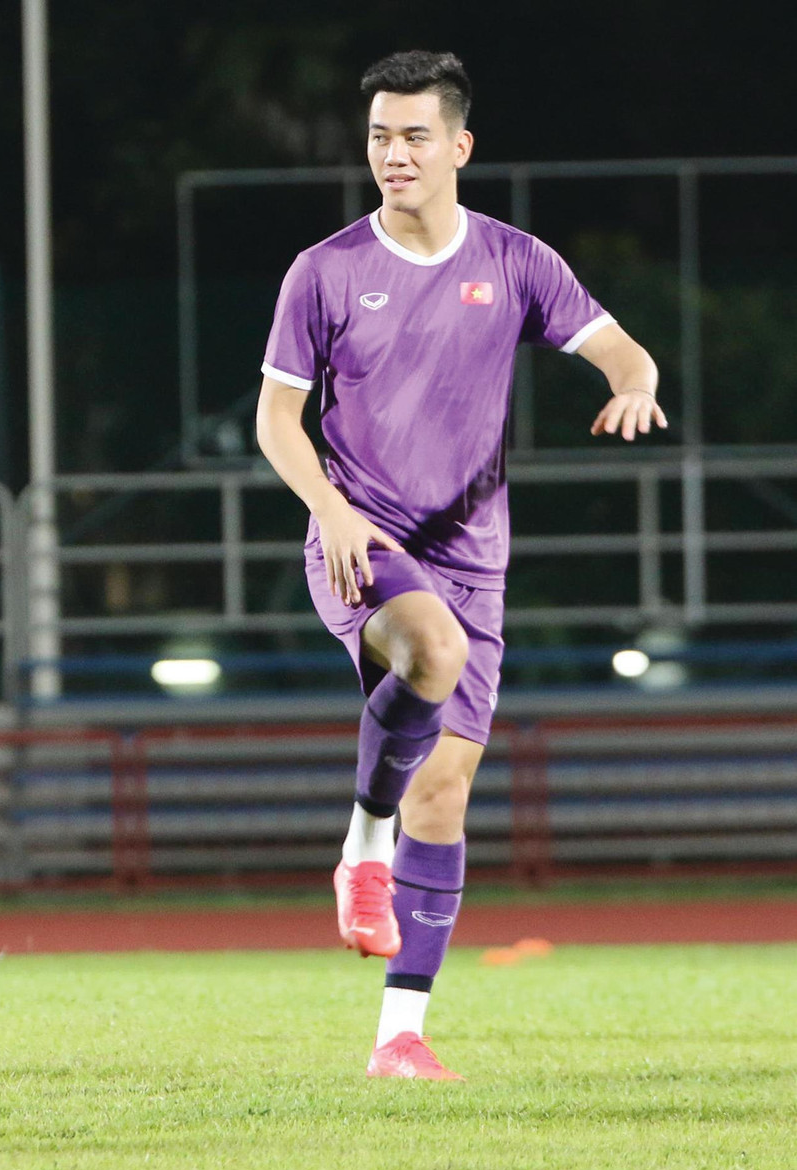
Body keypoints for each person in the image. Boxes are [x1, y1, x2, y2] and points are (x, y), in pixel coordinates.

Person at [255, 52, 664, 1080]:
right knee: (428, 652)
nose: (393, 154)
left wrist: (634, 382)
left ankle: (399, 1036)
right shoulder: (324, 270)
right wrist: (329, 509)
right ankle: (363, 843)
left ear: (459, 146)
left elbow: (621, 349)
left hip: (477, 562)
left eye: (414, 136)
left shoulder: (516, 261)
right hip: (362, 539)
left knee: (441, 799)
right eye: (379, 137)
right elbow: (276, 420)